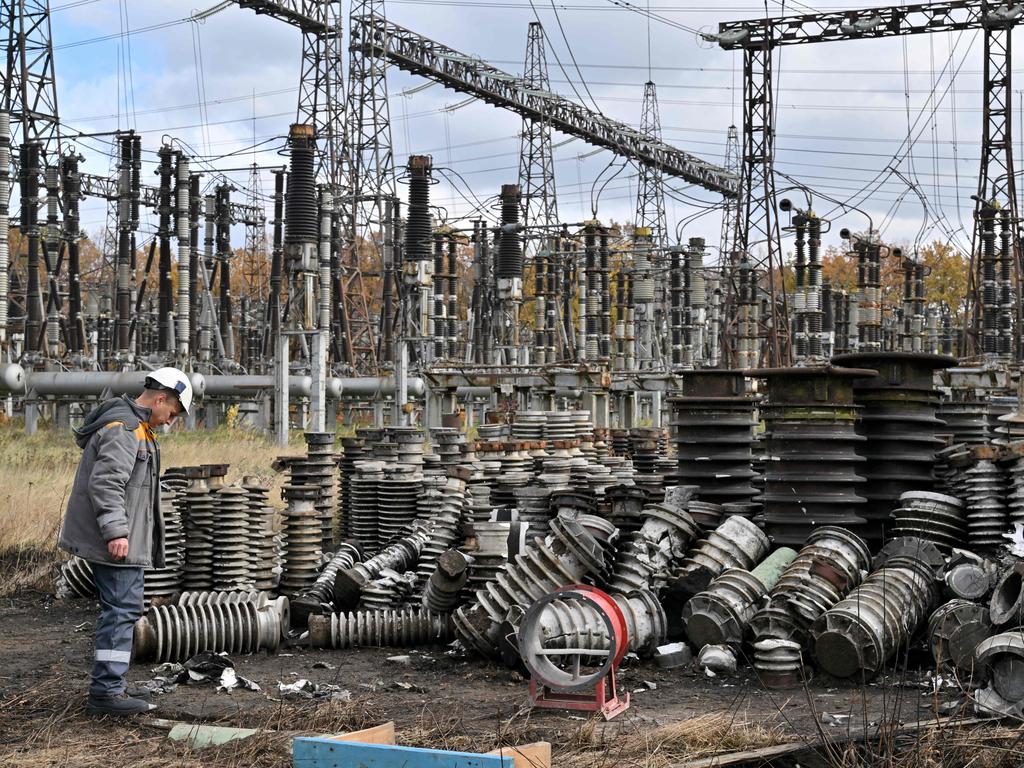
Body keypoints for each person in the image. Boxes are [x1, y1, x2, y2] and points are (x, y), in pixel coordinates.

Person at [58, 367, 193, 716]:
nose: (170, 421)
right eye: (173, 413)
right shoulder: (125, 430)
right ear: (161, 398)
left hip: (125, 538)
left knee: (123, 610)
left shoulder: (138, 429)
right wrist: (116, 531)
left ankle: (111, 686)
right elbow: (106, 484)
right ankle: (106, 693)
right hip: (118, 541)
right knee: (121, 611)